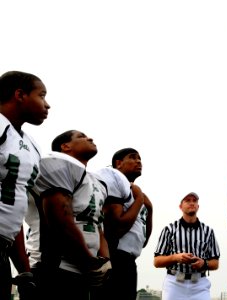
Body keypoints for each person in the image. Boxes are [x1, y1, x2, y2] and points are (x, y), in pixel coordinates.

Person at [33, 130, 112, 300]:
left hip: (87, 270)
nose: (90, 137)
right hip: (57, 266)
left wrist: (105, 261)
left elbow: (98, 224)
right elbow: (60, 219)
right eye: (81, 136)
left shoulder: (99, 182)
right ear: (65, 146)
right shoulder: (57, 164)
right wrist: (88, 262)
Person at [0, 70, 50, 300]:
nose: (47, 104)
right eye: (41, 95)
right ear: (20, 94)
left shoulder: (30, 145)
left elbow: (14, 209)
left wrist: (24, 270)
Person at [95, 148, 153, 300]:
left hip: (129, 259)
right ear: (118, 163)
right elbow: (115, 229)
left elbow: (144, 239)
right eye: (133, 158)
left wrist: (150, 209)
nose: (138, 161)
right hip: (114, 256)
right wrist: (139, 198)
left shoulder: (136, 193)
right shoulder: (113, 181)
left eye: (140, 158)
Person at [154, 192, 220, 300]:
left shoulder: (208, 231)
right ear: (180, 206)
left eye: (194, 201)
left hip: (199, 284)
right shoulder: (169, 229)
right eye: (187, 200)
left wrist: (204, 263)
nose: (192, 203)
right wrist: (175, 257)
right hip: (175, 283)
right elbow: (157, 261)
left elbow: (215, 263)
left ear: (198, 206)